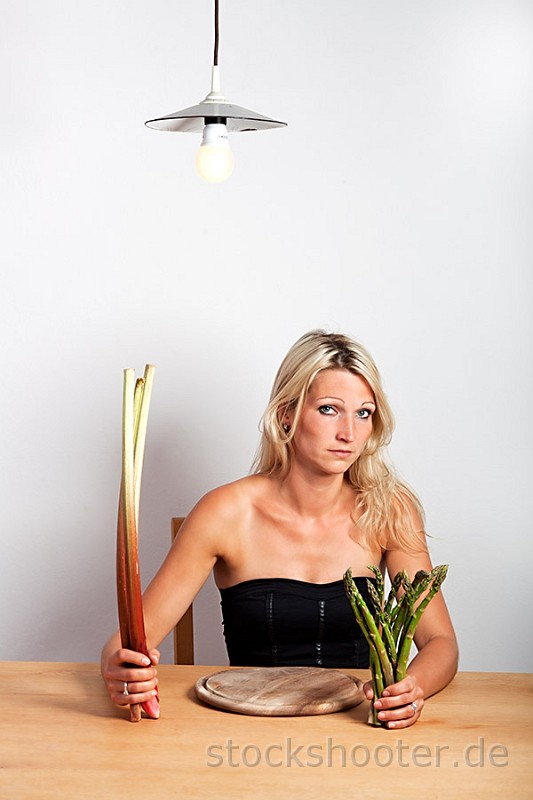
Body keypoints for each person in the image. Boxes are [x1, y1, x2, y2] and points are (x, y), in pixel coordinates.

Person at [101, 330, 458, 729]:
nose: (349, 433)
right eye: (328, 409)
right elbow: (126, 644)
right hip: (247, 730)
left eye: (363, 413)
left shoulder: (389, 509)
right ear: (286, 413)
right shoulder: (224, 513)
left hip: (360, 728)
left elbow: (440, 643)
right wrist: (121, 672)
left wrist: (410, 688)